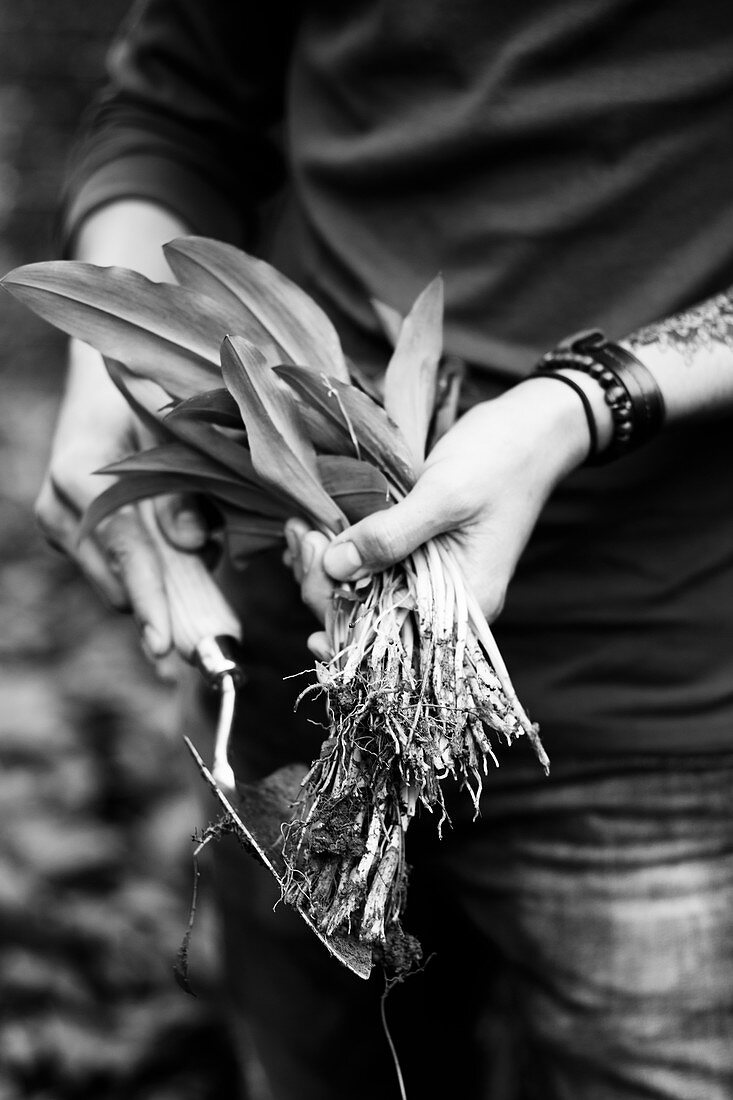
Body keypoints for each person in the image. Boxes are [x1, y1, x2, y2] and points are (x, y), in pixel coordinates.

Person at [35, 1, 733, 1097]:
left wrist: (584, 403)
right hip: (302, 676)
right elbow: (176, 107)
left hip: (668, 684)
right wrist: (106, 386)